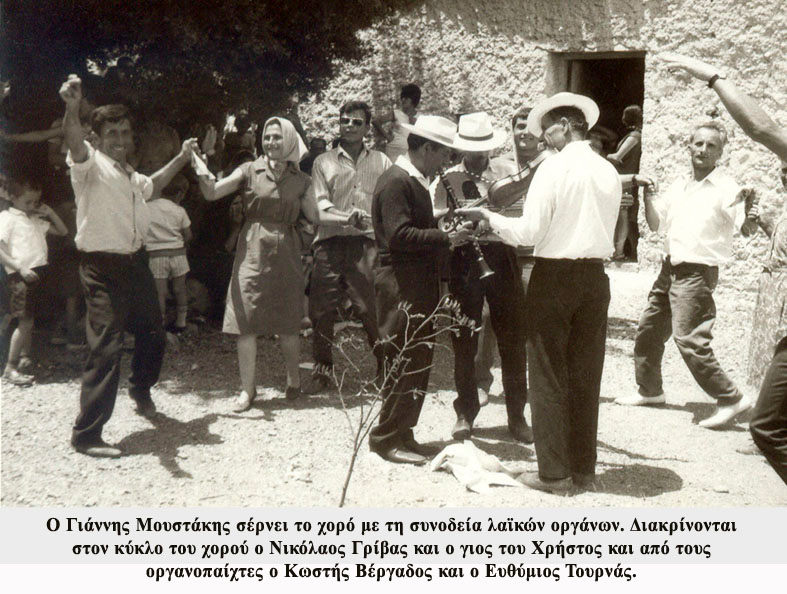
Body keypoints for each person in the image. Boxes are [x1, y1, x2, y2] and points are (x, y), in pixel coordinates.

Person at [459, 92, 622, 493]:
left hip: (555, 277)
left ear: (565, 126)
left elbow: (528, 232)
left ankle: (553, 474)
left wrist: (488, 217)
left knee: (547, 373)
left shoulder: (553, 168)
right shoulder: (607, 170)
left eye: (547, 129)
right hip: (595, 278)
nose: (542, 138)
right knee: (586, 375)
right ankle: (583, 470)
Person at [661, 52, 787, 482]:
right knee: (768, 412)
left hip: (704, 273)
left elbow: (762, 129)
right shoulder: (682, 184)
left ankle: (736, 401)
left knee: (766, 424)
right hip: (770, 295)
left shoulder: (725, 184)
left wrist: (711, 75)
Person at [60, 74, 198, 458]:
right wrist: (72, 107)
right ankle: (86, 436)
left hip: (136, 263)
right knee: (106, 348)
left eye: (124, 133)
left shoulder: (130, 175)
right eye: (112, 134)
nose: (120, 140)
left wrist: (182, 157)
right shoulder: (89, 166)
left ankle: (140, 390)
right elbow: (73, 141)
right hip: (101, 268)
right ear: (97, 137)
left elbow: (154, 184)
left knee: (154, 332)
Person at [615, 120, 756, 429]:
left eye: (711, 145)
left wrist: (750, 210)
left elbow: (746, 229)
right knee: (649, 330)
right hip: (669, 270)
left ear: (721, 153)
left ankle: (731, 397)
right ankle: (650, 391)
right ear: (689, 147)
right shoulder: (680, 185)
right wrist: (647, 196)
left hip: (697, 273)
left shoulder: (727, 188)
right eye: (698, 143)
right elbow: (656, 225)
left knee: (689, 339)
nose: (703, 150)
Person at [196, 117, 317, 412]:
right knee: (246, 321)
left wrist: (346, 217)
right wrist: (200, 162)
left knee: (289, 321)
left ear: (289, 140)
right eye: (267, 136)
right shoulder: (248, 170)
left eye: (277, 136)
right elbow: (212, 192)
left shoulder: (302, 180)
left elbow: (316, 216)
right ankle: (247, 391)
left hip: (287, 251)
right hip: (252, 251)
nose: (271, 142)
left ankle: (293, 380)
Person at [370, 115, 469, 465]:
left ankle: (403, 431)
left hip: (415, 282)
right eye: (444, 154)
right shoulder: (397, 181)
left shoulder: (412, 180)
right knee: (403, 357)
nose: (445, 162)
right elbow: (398, 235)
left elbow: (411, 227)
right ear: (427, 148)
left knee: (417, 359)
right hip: (400, 284)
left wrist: (438, 223)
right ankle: (385, 438)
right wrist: (446, 237)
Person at [430, 111, 531, 443]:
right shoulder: (447, 177)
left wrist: (491, 218)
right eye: (471, 149)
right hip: (465, 258)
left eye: (483, 148)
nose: (477, 155)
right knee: (464, 339)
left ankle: (517, 416)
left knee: (513, 338)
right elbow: (437, 220)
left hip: (502, 255)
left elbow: (521, 214)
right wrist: (455, 221)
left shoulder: (507, 172)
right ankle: (465, 412)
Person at [304, 101, 391, 394]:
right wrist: (346, 218)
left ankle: (385, 368)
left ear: (367, 128)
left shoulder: (382, 162)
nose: (349, 126)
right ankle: (322, 371)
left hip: (365, 245)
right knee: (321, 311)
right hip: (329, 244)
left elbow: (388, 201)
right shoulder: (323, 162)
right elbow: (320, 208)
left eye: (356, 122)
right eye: (345, 120)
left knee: (370, 309)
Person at [474, 106, 544, 404]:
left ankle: (527, 384)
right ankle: (481, 381)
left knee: (531, 318)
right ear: (512, 130)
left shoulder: (550, 166)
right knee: (486, 316)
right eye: (519, 126)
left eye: (531, 126)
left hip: (533, 253)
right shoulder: (499, 167)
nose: (524, 132)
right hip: (500, 249)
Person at [0, 174, 68, 385]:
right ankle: (10, 367)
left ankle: (24, 359)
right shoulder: (7, 218)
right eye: (27, 202)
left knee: (29, 320)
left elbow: (63, 231)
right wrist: (20, 268)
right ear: (12, 197)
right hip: (21, 274)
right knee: (25, 321)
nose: (32, 206)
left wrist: (49, 212)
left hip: (38, 273)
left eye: (35, 202)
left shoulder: (35, 219)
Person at [145, 174, 192, 334]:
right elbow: (188, 235)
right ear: (179, 194)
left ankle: (160, 324)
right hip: (178, 255)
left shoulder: (148, 207)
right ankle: (181, 323)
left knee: (160, 292)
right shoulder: (180, 210)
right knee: (180, 289)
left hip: (156, 256)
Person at [607, 105, 643, 260]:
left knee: (623, 215)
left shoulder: (634, 136)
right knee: (626, 216)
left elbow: (618, 157)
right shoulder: (634, 135)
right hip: (626, 178)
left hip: (625, 179)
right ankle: (628, 252)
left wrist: (602, 156)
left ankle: (619, 252)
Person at [373, 83, 421, 162]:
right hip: (394, 150)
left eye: (406, 98)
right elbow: (376, 121)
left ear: (413, 99)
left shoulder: (420, 117)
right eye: (402, 97)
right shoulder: (396, 113)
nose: (403, 100)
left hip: (410, 153)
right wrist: (388, 137)